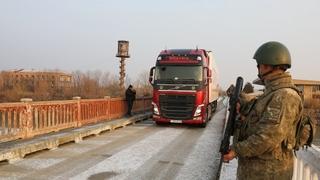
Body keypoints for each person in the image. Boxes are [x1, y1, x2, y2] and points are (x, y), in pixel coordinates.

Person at [223, 41, 303, 180]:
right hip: (256, 171)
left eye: (259, 65)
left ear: (267, 65)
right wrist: (241, 110)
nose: (258, 69)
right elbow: (257, 121)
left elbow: (267, 137)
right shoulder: (271, 93)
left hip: (268, 173)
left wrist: (236, 150)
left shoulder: (284, 96)